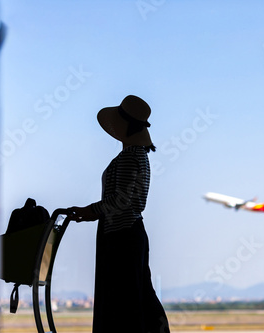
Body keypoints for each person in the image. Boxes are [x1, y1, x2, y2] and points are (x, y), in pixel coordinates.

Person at [69, 95, 170, 333]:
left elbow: (121, 201)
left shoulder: (129, 157)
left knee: (121, 303)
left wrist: (89, 211)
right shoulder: (140, 156)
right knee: (136, 296)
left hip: (120, 237)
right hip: (130, 234)